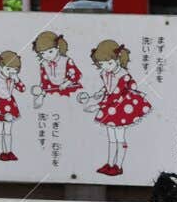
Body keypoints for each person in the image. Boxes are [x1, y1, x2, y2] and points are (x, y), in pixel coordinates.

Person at [80, 39, 150, 176]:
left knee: (119, 136)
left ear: (117, 59)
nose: (105, 67)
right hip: (111, 105)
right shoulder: (106, 73)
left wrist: (97, 106)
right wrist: (97, 95)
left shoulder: (123, 75)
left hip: (122, 106)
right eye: (101, 64)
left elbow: (117, 94)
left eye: (109, 63)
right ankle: (109, 163)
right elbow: (108, 88)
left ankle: (118, 165)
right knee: (111, 137)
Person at [30, 30, 82, 109]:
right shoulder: (43, 64)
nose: (47, 56)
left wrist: (66, 83)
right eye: (43, 53)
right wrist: (41, 94)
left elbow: (77, 75)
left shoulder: (66, 60)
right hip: (52, 91)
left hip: (68, 89)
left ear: (57, 48)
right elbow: (44, 81)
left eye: (50, 51)